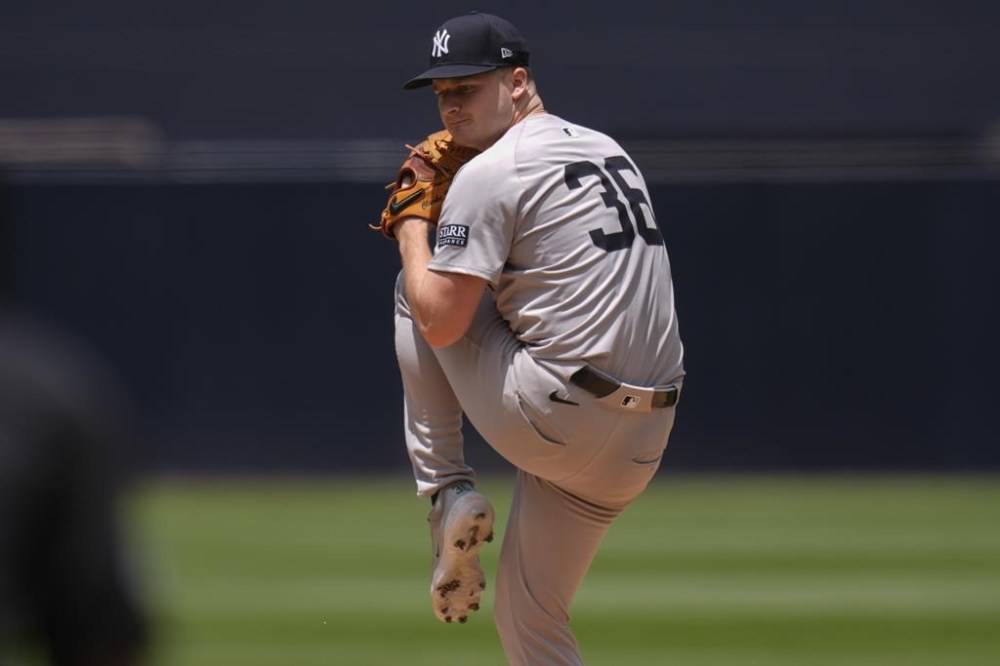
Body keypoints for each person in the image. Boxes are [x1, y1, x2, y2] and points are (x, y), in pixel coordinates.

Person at [389, 12, 685, 665]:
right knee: (529, 621)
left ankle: (445, 494)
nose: (452, 107)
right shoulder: (608, 148)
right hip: (644, 442)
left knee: (418, 294)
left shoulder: (488, 173)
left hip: (556, 417)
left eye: (467, 88)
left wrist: (413, 220)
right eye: (442, 94)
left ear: (518, 82)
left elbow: (440, 320)